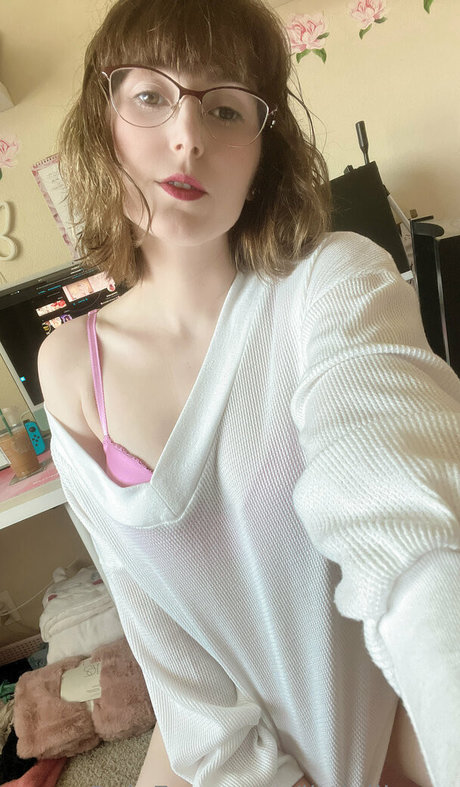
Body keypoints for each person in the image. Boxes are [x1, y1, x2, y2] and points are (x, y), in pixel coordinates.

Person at [38, 0, 460, 784]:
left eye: (225, 108)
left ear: (264, 150)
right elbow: (160, 636)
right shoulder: (70, 365)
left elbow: (402, 510)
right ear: (104, 124)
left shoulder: (331, 281)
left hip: (383, 722)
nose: (188, 136)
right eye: (150, 95)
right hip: (215, 744)